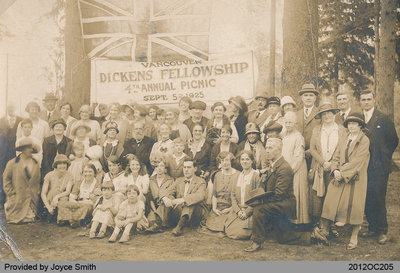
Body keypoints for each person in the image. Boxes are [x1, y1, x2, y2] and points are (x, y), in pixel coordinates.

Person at [244, 138, 328, 252]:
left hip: (285, 203)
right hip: (278, 201)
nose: (267, 151)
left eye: (270, 148)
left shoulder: (284, 168)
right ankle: (311, 234)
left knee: (259, 209)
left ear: (279, 150)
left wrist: (261, 201)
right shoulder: (273, 165)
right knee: (282, 236)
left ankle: (256, 242)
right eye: (266, 148)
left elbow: (279, 195)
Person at [319, 112, 370, 250]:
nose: (351, 126)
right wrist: (335, 170)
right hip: (340, 174)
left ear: (360, 126)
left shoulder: (364, 140)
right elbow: (336, 156)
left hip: (356, 177)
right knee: (330, 198)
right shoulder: (344, 137)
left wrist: (342, 173)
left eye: (354, 124)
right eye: (349, 124)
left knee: (355, 206)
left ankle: (354, 235)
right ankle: (325, 230)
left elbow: (358, 161)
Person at [359, 90, 399, 244]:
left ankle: (382, 231)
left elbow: (393, 140)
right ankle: (372, 227)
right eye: (363, 99)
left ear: (374, 100)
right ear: (360, 101)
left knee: (378, 197)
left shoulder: (383, 118)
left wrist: (384, 156)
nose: (366, 102)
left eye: (369, 99)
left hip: (379, 167)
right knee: (367, 196)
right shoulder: (359, 118)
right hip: (363, 166)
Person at [309, 103, 346, 228]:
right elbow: (312, 149)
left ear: (334, 114)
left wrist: (332, 164)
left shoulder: (341, 130)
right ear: (321, 116)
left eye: (329, 113)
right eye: (324, 114)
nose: (327, 116)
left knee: (333, 196)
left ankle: (330, 226)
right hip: (320, 167)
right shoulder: (317, 129)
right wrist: (323, 162)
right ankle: (319, 225)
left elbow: (342, 149)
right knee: (318, 197)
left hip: (334, 168)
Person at [163, 158, 207, 236]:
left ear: (195, 169)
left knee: (189, 202)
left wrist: (182, 200)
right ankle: (157, 224)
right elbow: (167, 191)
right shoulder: (179, 180)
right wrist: (168, 199)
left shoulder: (201, 181)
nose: (186, 170)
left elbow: (200, 196)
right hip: (180, 211)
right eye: (184, 167)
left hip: (195, 214)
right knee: (165, 201)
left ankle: (179, 227)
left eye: (189, 167)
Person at [3, 137, 41, 224]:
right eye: (27, 148)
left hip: (31, 199)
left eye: (31, 148)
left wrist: (36, 193)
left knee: (30, 218)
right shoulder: (12, 163)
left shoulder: (35, 163)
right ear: (22, 150)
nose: (29, 150)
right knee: (17, 218)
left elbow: (37, 182)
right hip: (17, 198)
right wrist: (12, 193)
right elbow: (6, 180)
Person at [225, 150, 261, 240]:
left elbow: (258, 199)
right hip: (238, 211)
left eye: (247, 159)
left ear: (252, 161)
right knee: (228, 230)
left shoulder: (256, 176)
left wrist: (247, 212)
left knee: (241, 233)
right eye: (242, 159)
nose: (244, 161)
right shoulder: (237, 176)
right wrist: (238, 211)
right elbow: (233, 196)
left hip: (251, 211)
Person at [282, 112, 309, 224]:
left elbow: (299, 157)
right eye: (286, 122)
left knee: (297, 195)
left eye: (290, 122)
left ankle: (299, 222)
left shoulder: (298, 137)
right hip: (287, 169)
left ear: (295, 123)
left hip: (296, 170)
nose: (288, 125)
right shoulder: (285, 136)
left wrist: (290, 171)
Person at [57, 163, 101, 227]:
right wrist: (75, 203)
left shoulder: (97, 184)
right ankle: (74, 220)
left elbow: (95, 201)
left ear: (94, 173)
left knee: (87, 207)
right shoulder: (79, 183)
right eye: (85, 172)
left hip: (88, 205)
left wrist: (81, 202)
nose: (87, 174)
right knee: (61, 203)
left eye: (90, 172)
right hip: (77, 203)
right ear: (82, 173)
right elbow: (72, 197)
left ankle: (68, 219)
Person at [205, 152, 239, 235]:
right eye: (222, 161)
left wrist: (231, 208)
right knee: (211, 225)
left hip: (232, 207)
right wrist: (214, 208)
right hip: (219, 208)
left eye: (227, 160)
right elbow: (214, 195)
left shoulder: (238, 175)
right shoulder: (217, 175)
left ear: (231, 161)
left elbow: (239, 197)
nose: (225, 163)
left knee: (229, 226)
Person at [0, 104, 22, 207]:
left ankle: (15, 201)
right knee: (3, 175)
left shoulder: (21, 120)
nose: (11, 110)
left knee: (16, 176)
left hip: (16, 153)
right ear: (7, 109)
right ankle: (2, 200)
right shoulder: (1, 120)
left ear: (15, 109)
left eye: (13, 108)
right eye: (9, 108)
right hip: (3, 155)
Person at [41, 154, 73, 223]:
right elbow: (43, 193)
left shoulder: (69, 175)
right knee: (55, 191)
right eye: (60, 164)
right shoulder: (49, 175)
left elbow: (67, 191)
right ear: (56, 165)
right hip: (50, 200)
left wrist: (57, 196)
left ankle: (62, 217)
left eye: (64, 163)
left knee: (64, 198)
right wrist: (48, 206)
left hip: (61, 198)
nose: (62, 166)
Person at [145, 158, 175, 233]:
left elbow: (172, 194)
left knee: (169, 198)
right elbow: (150, 197)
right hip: (154, 206)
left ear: (165, 168)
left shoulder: (170, 180)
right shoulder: (151, 180)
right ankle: (160, 224)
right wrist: (155, 211)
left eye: (161, 166)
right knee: (149, 222)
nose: (159, 168)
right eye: (157, 166)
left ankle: (158, 224)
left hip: (166, 206)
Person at [295, 83, 320, 169]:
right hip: (298, 155)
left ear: (315, 98)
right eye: (305, 95)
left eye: (311, 95)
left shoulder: (320, 113)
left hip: (315, 155)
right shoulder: (296, 114)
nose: (308, 98)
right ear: (302, 98)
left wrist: (312, 150)